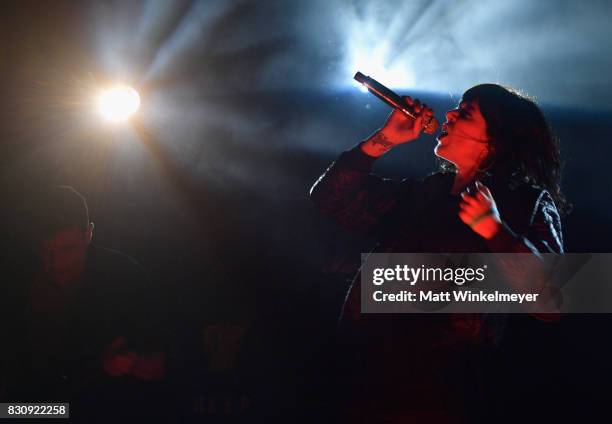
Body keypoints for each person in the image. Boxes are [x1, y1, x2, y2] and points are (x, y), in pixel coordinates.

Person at [310, 84, 566, 422]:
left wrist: (495, 230)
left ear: (495, 137)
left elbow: (553, 301)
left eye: (466, 111)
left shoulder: (524, 202)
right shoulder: (427, 192)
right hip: (367, 377)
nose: (449, 115)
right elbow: (330, 198)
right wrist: (385, 138)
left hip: (444, 394)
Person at [2, 186, 166, 417]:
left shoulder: (123, 279)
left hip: (100, 411)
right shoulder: (15, 276)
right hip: (30, 409)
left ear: (88, 234)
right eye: (45, 250)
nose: (55, 263)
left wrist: (132, 361)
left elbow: (161, 366)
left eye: (67, 249)